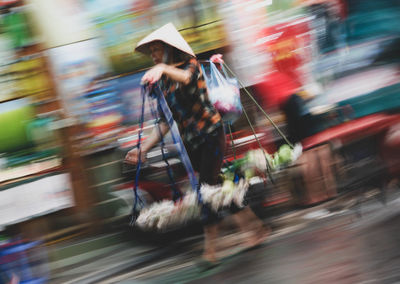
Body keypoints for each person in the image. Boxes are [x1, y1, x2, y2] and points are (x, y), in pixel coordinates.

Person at [125, 23, 268, 265]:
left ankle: (210, 252)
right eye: (151, 53)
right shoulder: (163, 81)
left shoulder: (189, 65)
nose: (154, 56)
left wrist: (162, 68)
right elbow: (163, 122)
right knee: (221, 190)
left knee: (206, 193)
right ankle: (257, 229)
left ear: (170, 50)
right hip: (192, 144)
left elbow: (186, 78)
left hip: (211, 135)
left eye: (157, 50)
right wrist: (142, 149)